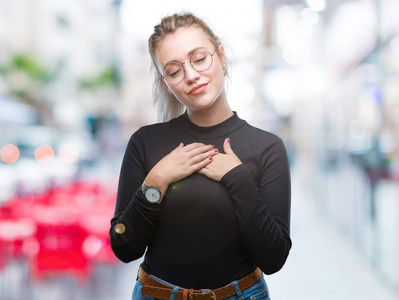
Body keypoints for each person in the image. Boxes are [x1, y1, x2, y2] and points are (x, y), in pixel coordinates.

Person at [110, 12, 291, 300]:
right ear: (165, 82)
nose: (191, 75)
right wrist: (157, 180)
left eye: (199, 58)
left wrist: (238, 179)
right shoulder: (146, 142)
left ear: (221, 55)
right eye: (174, 70)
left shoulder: (267, 147)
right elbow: (123, 246)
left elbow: (274, 259)